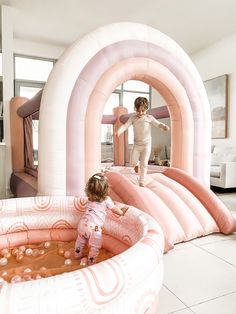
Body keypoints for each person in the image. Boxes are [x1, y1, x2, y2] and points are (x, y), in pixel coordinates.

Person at [74, 173, 128, 265]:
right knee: (94, 247)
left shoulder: (89, 199)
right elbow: (115, 209)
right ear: (106, 189)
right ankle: (91, 262)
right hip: (94, 228)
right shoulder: (106, 199)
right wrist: (122, 212)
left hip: (82, 224)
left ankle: (77, 255)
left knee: (80, 240)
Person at [116, 97, 170, 187]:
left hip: (146, 145)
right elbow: (125, 126)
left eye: (143, 111)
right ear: (135, 109)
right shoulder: (133, 118)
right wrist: (118, 131)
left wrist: (164, 126)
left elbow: (158, 124)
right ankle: (136, 165)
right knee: (132, 162)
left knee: (144, 163)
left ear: (146, 109)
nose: (140, 113)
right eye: (138, 111)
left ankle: (142, 181)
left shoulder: (149, 118)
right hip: (137, 145)